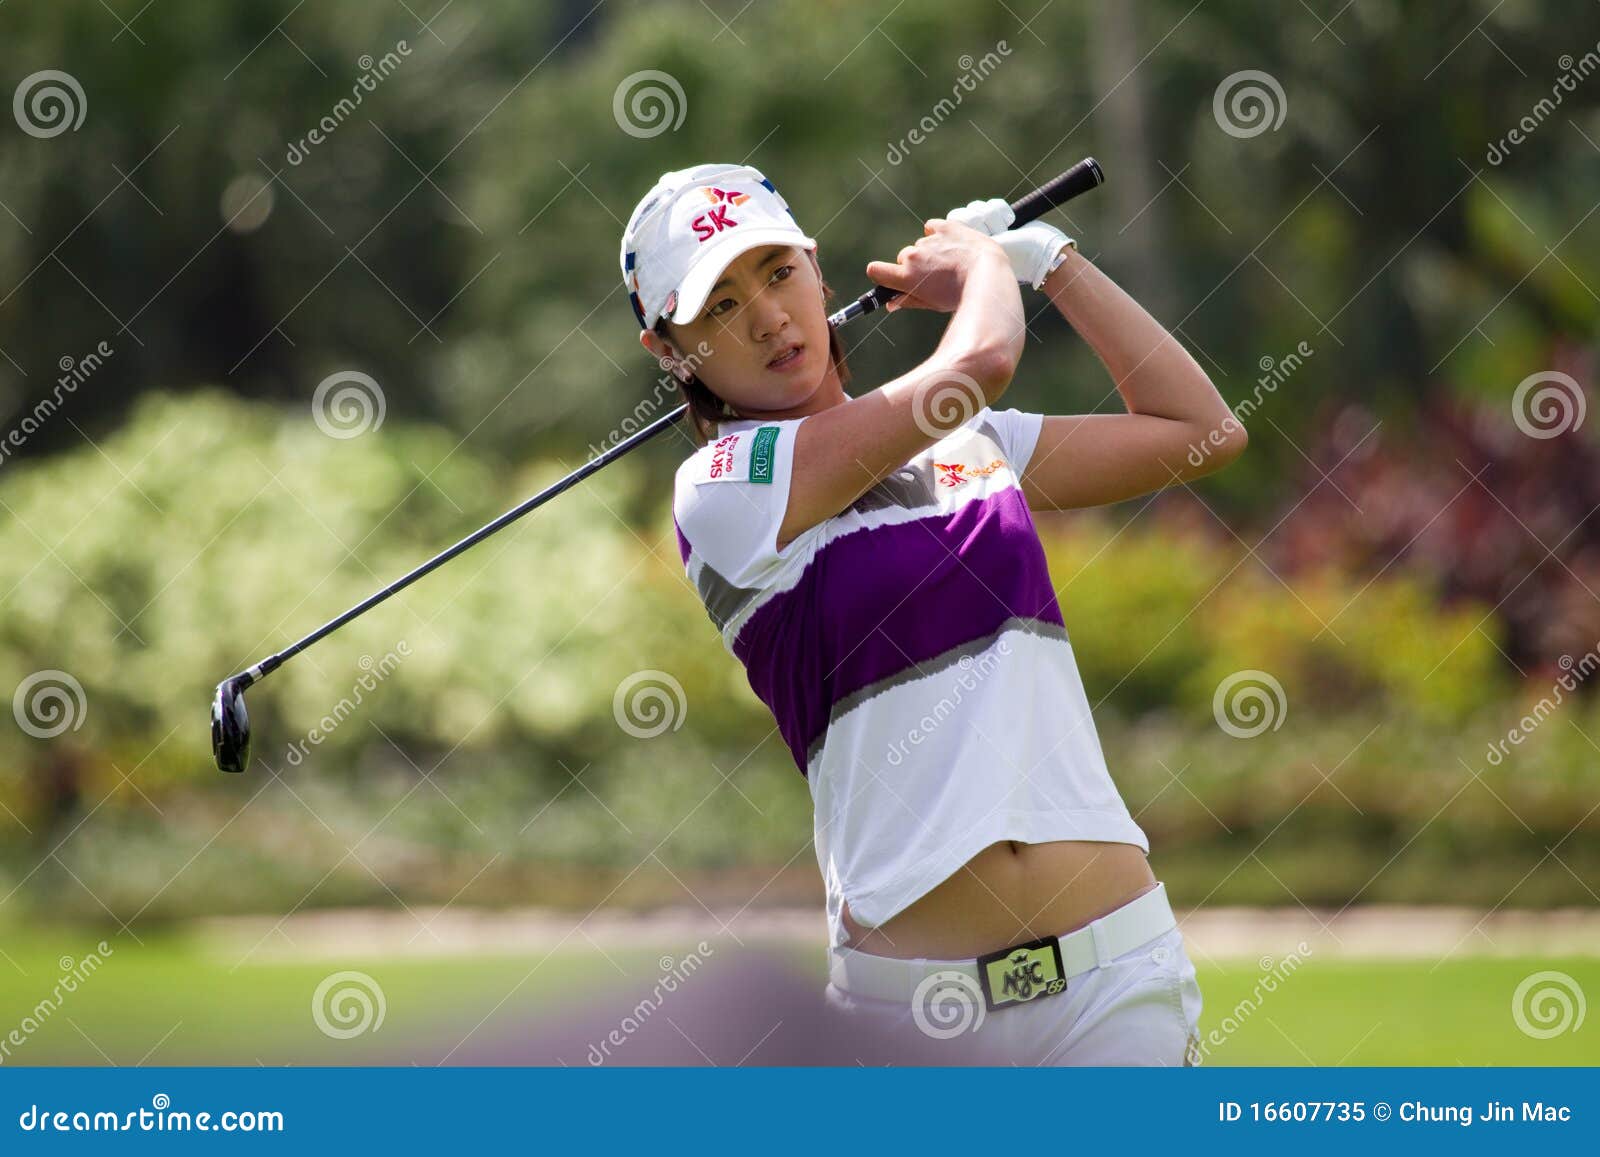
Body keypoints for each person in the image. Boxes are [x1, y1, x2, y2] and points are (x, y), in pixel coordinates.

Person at [619, 162, 1246, 1065]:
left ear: (818, 269)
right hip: (915, 1026)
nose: (765, 316)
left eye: (777, 271)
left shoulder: (974, 447)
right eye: (717, 306)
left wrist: (1054, 260)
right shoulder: (720, 493)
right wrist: (985, 266)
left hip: (1116, 980)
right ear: (668, 351)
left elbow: (1204, 433)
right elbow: (981, 361)